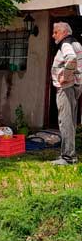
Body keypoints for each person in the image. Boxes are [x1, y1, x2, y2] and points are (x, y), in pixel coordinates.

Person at [51, 22, 82, 165]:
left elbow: (71, 59)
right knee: (70, 122)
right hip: (74, 86)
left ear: (63, 32)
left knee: (65, 121)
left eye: (55, 32)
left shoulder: (66, 44)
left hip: (66, 88)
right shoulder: (76, 43)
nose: (53, 35)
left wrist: (65, 76)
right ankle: (70, 155)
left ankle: (68, 157)